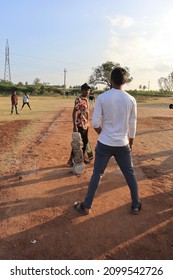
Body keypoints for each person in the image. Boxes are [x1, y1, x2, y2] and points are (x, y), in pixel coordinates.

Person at [74, 67, 142, 215]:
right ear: (125, 81)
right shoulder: (131, 100)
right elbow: (132, 124)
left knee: (97, 174)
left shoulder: (103, 97)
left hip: (104, 143)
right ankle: (136, 204)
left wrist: (103, 133)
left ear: (111, 80)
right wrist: (131, 143)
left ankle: (86, 206)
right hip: (122, 144)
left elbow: (96, 123)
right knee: (130, 174)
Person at [67, 83, 91, 166]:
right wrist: (74, 125)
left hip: (86, 124)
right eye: (85, 90)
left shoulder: (87, 100)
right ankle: (70, 160)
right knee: (77, 143)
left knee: (85, 141)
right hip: (80, 124)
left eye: (88, 90)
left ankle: (82, 158)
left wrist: (88, 123)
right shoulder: (78, 99)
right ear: (82, 90)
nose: (87, 91)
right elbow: (74, 112)